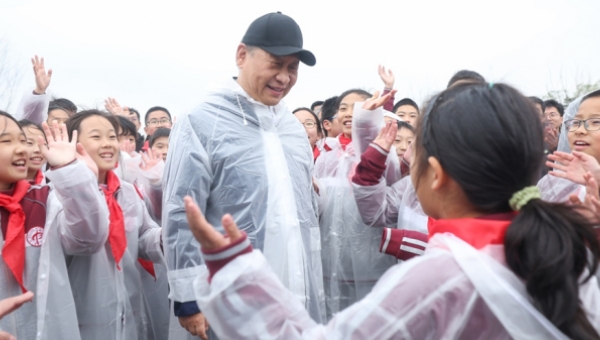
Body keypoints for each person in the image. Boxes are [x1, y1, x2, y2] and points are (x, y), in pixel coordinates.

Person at [183, 82, 600, 339]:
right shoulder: (568, 245)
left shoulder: (441, 279)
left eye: (413, 154)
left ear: (435, 174)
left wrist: (236, 269)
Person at [162, 11, 324, 339]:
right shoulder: (202, 121)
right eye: (275, 64)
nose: (284, 77)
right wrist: (188, 298)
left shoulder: (292, 128)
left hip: (292, 289)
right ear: (241, 55)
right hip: (227, 292)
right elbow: (181, 212)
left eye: (292, 68)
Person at [0, 111, 110, 339]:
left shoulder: (45, 199)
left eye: (22, 140)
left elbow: (89, 239)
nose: (22, 149)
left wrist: (69, 171)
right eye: (6, 141)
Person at [64, 110, 164, 340]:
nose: (108, 144)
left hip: (127, 312)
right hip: (82, 318)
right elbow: (81, 240)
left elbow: (143, 236)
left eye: (112, 136)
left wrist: (168, 236)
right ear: (73, 143)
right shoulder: (62, 195)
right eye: (97, 137)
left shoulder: (128, 192)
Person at [314, 89, 400, 319]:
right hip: (331, 261)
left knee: (370, 321)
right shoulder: (325, 157)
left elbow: (390, 202)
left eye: (357, 107)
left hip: (371, 261)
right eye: (343, 108)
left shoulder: (384, 154)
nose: (349, 113)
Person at [18, 120, 46, 185]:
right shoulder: (4, 185)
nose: (38, 150)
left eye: (44, 144)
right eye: (29, 143)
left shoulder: (52, 184)